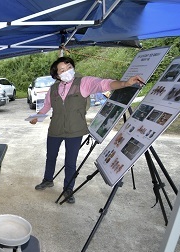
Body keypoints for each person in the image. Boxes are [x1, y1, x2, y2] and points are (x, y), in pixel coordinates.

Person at [31, 56, 144, 203]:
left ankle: (68, 189)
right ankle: (47, 180)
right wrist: (37, 117)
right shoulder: (53, 88)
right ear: (57, 75)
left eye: (69, 67)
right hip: (55, 129)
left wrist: (125, 83)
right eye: (62, 70)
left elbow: (104, 84)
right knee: (50, 157)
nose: (67, 71)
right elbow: (46, 106)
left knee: (70, 161)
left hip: (75, 130)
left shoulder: (83, 82)